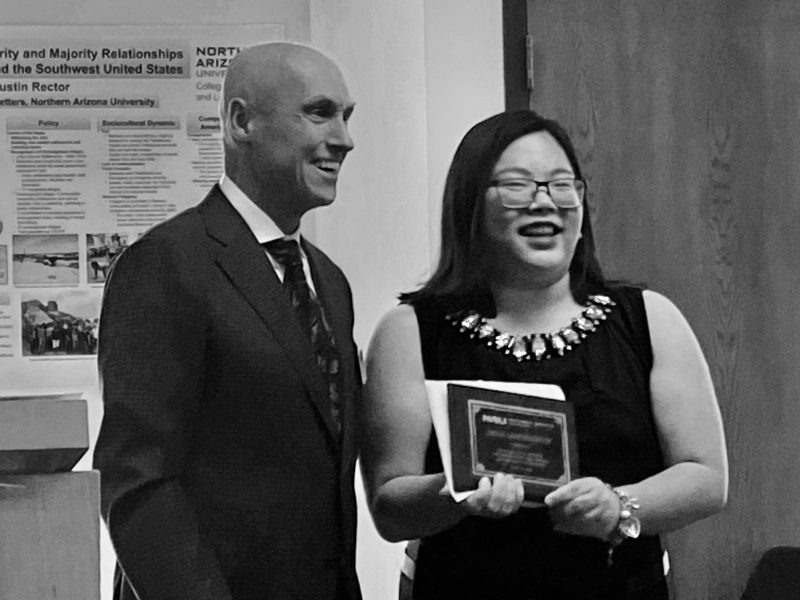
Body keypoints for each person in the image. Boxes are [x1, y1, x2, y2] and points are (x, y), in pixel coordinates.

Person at [360, 110, 728, 599]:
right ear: (471, 201)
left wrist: (618, 505)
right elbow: (389, 506)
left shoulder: (648, 318)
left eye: (560, 185)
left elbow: (706, 478)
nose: (545, 202)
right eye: (517, 186)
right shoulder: (410, 331)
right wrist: (454, 495)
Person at [93, 42, 362, 600]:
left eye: (346, 116)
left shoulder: (329, 283)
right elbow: (138, 484)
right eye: (319, 112)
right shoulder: (167, 264)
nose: (343, 138)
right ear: (242, 121)